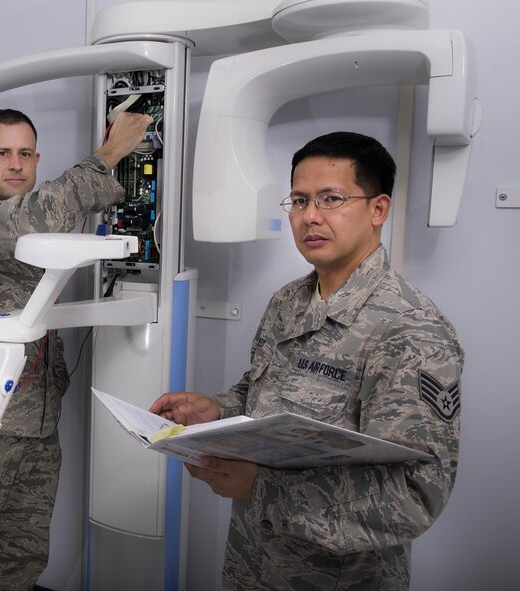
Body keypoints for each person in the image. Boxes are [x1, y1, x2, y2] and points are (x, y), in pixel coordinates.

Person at [150, 131, 463, 590]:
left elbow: (416, 496)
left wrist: (262, 489)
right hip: (252, 565)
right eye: (298, 200)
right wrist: (217, 409)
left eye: (330, 199)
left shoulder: (410, 331)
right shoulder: (288, 301)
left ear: (378, 209)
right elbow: (262, 397)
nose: (310, 217)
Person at [0, 108, 153, 589]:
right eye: (3, 153)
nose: (15, 164)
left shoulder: (45, 221)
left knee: (22, 561)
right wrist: (109, 154)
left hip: (37, 424)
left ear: (37, 159)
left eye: (25, 153)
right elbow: (33, 218)